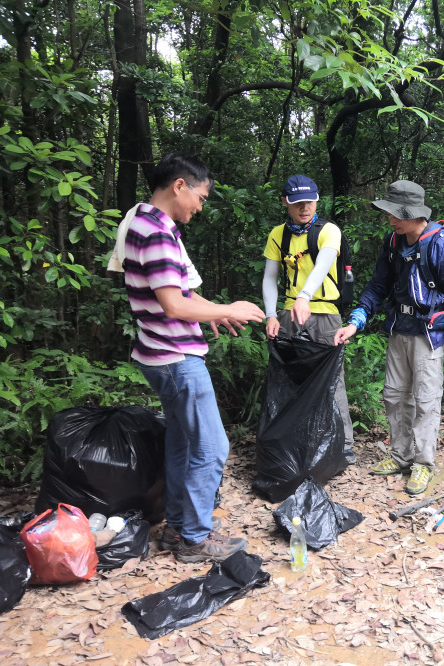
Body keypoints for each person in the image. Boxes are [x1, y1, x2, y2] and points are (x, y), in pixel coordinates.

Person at [118, 153, 265, 563]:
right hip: (175, 357)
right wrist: (228, 310)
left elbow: (184, 293)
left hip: (159, 353)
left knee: (183, 444)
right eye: (199, 197)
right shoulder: (158, 233)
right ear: (179, 185)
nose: (200, 207)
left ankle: (178, 529)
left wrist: (217, 311)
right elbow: (174, 306)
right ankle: (196, 540)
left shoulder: (145, 222)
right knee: (212, 447)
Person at [334, 180, 444, 495]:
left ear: (414, 213)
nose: (391, 219)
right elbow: (377, 286)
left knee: (426, 400)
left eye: (397, 214)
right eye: (391, 213)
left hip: (430, 334)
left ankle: (423, 465)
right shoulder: (393, 242)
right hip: (399, 327)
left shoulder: (441, 245)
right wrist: (357, 319)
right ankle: (400, 456)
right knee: (395, 395)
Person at [261, 175, 356, 464]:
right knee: (290, 379)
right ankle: (296, 441)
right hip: (289, 315)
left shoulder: (329, 231)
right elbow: (269, 277)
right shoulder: (278, 235)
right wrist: (270, 315)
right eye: (297, 203)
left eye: (310, 201)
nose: (305, 208)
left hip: (325, 314)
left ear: (317, 200)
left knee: (331, 380)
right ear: (285, 203)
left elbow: (324, 264)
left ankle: (344, 445)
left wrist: (304, 296)